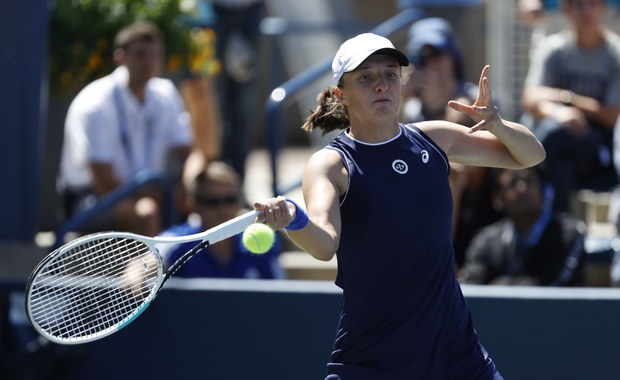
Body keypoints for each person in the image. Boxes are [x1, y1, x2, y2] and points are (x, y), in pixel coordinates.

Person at [251, 33, 545, 379]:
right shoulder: (330, 165)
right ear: (340, 96)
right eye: (366, 77)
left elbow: (530, 155)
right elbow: (324, 244)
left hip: (457, 354)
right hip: (374, 361)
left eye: (390, 74)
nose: (381, 85)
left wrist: (497, 124)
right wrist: (293, 218)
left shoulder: (435, 138)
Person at [59, 21, 193, 236]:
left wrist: (189, 184)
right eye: (141, 54)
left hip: (152, 191)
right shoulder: (95, 103)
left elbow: (189, 153)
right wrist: (149, 195)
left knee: (212, 200)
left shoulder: (165, 93)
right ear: (119, 57)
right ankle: (153, 269)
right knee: (146, 212)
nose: (149, 61)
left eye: (155, 55)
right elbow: (103, 183)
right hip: (91, 199)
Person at [402, 17, 502, 269]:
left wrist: (441, 100)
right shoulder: (408, 107)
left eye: (437, 55)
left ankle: (440, 264)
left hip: (481, 208)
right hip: (421, 207)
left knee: (451, 171)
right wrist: (399, 97)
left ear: (453, 57)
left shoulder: (473, 97)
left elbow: (460, 159)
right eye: (421, 58)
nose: (431, 65)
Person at [521, 0, 620, 213]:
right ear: (567, 10)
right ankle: (559, 228)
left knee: (549, 134)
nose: (586, 11)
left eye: (592, 4)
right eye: (579, 5)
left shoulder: (614, 53)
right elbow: (530, 98)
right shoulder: (553, 48)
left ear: (602, 8)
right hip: (559, 145)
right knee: (554, 155)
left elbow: (613, 116)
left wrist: (570, 100)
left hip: (597, 146)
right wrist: (559, 112)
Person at [458, 166, 587, 286]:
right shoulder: (485, 241)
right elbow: (472, 292)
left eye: (529, 181)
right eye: (512, 183)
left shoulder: (569, 234)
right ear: (497, 198)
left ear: (543, 191)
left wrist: (499, 285)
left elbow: (554, 292)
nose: (522, 188)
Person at [158, 161, 283, 279]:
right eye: (212, 202)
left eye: (230, 200)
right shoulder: (173, 241)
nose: (223, 209)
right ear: (192, 205)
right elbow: (143, 275)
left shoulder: (261, 241)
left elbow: (279, 295)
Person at [212, 0, 266, 180]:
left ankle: (237, 180)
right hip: (215, 11)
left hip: (251, 10)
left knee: (244, 106)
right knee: (217, 103)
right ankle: (218, 177)